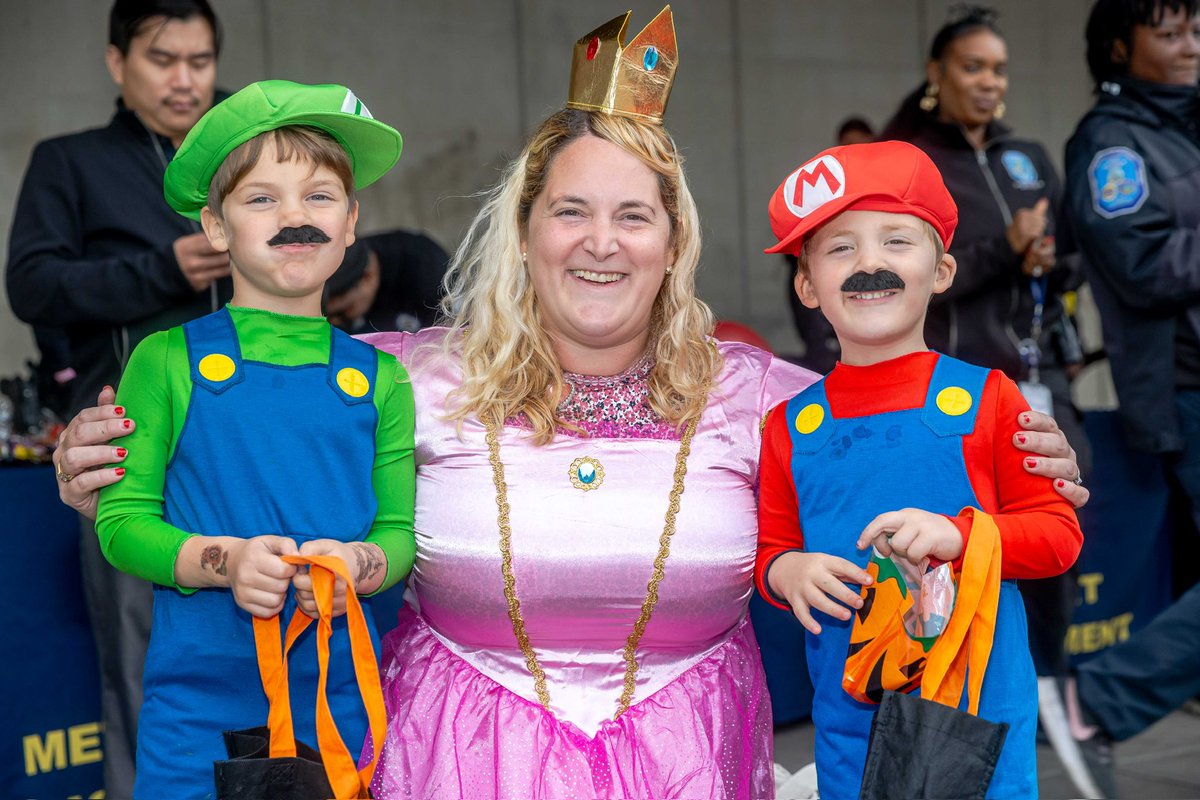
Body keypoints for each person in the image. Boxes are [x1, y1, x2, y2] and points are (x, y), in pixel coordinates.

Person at [52, 8, 1089, 798]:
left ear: (673, 242)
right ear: (525, 230)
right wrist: (102, 457)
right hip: (454, 765)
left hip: (693, 766)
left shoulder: (766, 398)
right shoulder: (402, 377)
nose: (601, 242)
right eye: (570, 211)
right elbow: (250, 416)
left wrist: (1023, 457)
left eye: (634, 215)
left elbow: (907, 430)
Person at [91, 79, 414, 797]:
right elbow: (122, 524)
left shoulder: (385, 378)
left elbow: (398, 533)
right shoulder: (165, 359)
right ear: (215, 228)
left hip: (341, 706)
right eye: (262, 198)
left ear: (351, 222)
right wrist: (226, 562)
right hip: (199, 713)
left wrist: (357, 565)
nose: (295, 217)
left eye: (319, 196)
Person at [755, 140, 1083, 800]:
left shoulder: (990, 399)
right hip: (850, 722)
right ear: (807, 285)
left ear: (942, 271)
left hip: (977, 719)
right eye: (840, 247)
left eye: (897, 241)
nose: (868, 263)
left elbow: (1057, 537)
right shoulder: (787, 427)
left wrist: (960, 535)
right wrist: (787, 573)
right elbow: (772, 550)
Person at [4, 2, 225, 792]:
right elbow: (31, 284)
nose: (185, 80)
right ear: (115, 62)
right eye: (163, 60)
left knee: (276, 642)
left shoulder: (244, 157)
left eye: (200, 61)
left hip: (249, 436)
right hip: (130, 443)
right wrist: (162, 269)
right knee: (142, 655)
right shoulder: (73, 162)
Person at [879, 3, 1091, 765]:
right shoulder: (910, 161)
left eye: (999, 69)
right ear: (936, 73)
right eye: (973, 67)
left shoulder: (1025, 155)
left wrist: (1050, 260)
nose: (989, 82)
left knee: (1052, 530)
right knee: (956, 541)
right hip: (951, 392)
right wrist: (1004, 249)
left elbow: (1074, 261)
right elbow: (905, 279)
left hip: (1036, 382)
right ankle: (946, 703)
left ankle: (1048, 688)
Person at [1062, 1, 1200, 796]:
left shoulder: (1186, 126)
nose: (1189, 46)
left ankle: (1102, 700)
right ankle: (1100, 700)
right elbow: (1140, 265)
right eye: (1169, 32)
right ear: (1121, 47)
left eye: (1195, 30)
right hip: (1185, 384)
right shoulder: (1110, 142)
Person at [325, 229, 449, 334]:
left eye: (342, 313)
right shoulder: (348, 256)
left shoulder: (429, 276)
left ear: (368, 277)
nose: (333, 323)